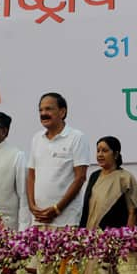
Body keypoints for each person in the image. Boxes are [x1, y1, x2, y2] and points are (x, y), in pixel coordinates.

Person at [79, 136, 137, 274]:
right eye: (98, 151)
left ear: (115, 154)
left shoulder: (125, 178)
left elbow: (133, 212)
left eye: (104, 151)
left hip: (114, 241)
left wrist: (126, 241)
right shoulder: (94, 176)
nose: (100, 155)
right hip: (93, 240)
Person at [26, 92, 89, 227]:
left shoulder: (76, 137)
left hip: (66, 220)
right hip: (39, 218)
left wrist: (57, 208)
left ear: (62, 112)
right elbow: (31, 175)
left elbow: (80, 178)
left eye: (48, 109)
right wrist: (31, 206)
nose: (43, 113)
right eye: (41, 110)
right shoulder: (37, 138)